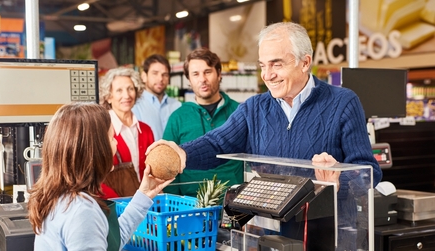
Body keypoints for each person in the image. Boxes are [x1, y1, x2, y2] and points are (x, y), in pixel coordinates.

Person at [148, 22, 382, 251]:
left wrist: (341, 177)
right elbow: (217, 142)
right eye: (262, 66)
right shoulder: (254, 108)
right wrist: (182, 152)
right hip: (271, 234)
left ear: (305, 62)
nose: (267, 75)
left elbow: (369, 170)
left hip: (329, 234)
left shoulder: (343, 102)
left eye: (276, 64)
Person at [27, 102, 173, 251]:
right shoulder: (82, 212)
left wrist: (145, 194)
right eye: (111, 138)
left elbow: (111, 241)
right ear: (95, 150)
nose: (116, 142)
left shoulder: (61, 198)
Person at [162, 47, 243, 197]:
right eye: (195, 74)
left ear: (219, 74)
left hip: (234, 202)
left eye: (207, 72)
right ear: (189, 80)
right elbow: (168, 166)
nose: (202, 79)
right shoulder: (178, 117)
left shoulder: (239, 112)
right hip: (190, 205)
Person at [99, 67, 155, 198]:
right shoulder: (101, 130)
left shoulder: (146, 130)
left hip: (146, 202)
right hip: (114, 205)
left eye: (130, 89)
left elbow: (153, 170)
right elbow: (96, 177)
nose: (127, 95)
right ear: (108, 96)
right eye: (119, 90)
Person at [132, 54, 182, 140]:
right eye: (155, 73)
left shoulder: (177, 106)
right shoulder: (135, 106)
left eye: (165, 74)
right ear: (144, 76)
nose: (160, 79)